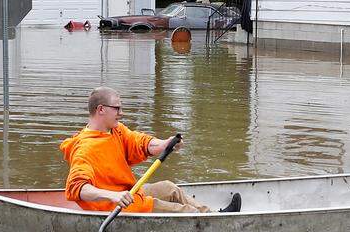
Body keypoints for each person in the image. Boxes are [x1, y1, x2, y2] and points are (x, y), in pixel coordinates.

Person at [60, 87, 240, 214]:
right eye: (117, 108)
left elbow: (139, 142)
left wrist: (165, 144)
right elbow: (77, 188)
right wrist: (113, 196)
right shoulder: (85, 148)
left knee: (170, 188)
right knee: (184, 211)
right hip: (113, 206)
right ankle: (209, 222)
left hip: (129, 194)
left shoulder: (116, 130)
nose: (121, 112)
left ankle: (213, 215)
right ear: (101, 109)